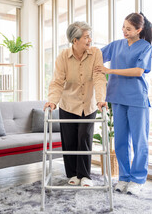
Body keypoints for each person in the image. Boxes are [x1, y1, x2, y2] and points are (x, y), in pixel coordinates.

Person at [94, 12, 152, 195]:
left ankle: (137, 180)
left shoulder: (144, 47)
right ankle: (123, 177)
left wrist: (110, 70)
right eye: (123, 27)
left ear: (139, 30)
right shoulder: (116, 45)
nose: (124, 31)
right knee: (121, 140)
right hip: (117, 97)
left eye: (129, 28)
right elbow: (96, 56)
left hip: (137, 98)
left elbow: (139, 71)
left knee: (140, 141)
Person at [44, 21, 108, 187]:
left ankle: (85, 175)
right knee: (70, 140)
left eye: (89, 36)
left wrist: (101, 99)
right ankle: (72, 174)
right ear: (75, 40)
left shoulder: (95, 54)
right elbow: (57, 82)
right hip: (68, 103)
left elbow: (99, 78)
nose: (90, 40)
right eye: (86, 37)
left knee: (84, 137)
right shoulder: (63, 57)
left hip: (88, 103)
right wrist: (52, 101)